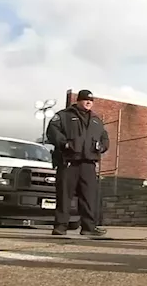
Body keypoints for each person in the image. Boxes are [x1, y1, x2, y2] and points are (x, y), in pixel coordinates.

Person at [47, 89, 109, 236]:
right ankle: (60, 227)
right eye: (85, 100)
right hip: (68, 162)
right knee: (64, 195)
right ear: (78, 100)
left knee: (89, 196)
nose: (88, 103)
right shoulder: (64, 116)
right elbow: (52, 131)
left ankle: (88, 227)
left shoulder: (96, 120)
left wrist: (101, 147)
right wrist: (64, 144)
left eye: (91, 100)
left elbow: (104, 137)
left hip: (88, 163)